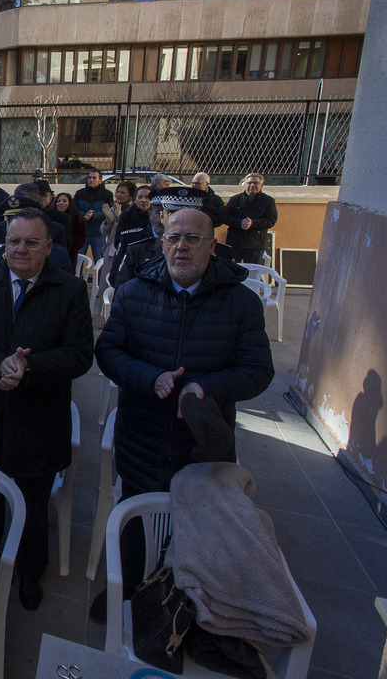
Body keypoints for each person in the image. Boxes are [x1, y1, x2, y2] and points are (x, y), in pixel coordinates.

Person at [93, 208, 274, 618]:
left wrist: (205, 387)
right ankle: (128, 592)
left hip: (202, 443)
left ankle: (183, 605)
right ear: (162, 243)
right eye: (174, 238)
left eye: (193, 239)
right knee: (137, 518)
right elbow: (108, 352)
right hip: (142, 434)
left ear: (213, 246)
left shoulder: (241, 303)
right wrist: (149, 377)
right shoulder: (133, 292)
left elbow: (258, 371)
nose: (182, 247)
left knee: (195, 529)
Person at [0, 208, 94, 611]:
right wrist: (0, 363)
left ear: (49, 248)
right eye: (14, 241)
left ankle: (30, 573)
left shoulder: (69, 290)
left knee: (33, 505)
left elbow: (79, 355)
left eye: (31, 242)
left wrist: (28, 367)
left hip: (39, 418)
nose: (21, 249)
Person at [221, 173, 278, 264]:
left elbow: (271, 220)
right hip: (235, 243)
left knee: (252, 273)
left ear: (261, 185)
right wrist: (240, 222)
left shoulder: (268, 201)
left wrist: (253, 223)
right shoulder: (235, 199)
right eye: (250, 183)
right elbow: (224, 216)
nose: (252, 185)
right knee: (232, 272)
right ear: (245, 184)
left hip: (255, 245)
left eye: (255, 183)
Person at [73, 169, 113, 267]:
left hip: (98, 234)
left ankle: (99, 282)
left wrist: (93, 216)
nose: (91, 180)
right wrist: (83, 215)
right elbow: (74, 210)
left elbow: (108, 213)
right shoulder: (79, 193)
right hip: (82, 233)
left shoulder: (107, 194)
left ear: (100, 180)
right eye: (90, 178)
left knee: (99, 261)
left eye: (94, 178)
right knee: (78, 260)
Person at [55, 192, 86, 266]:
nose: (61, 203)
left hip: (70, 255)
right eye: (58, 201)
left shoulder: (77, 219)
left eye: (64, 201)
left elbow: (80, 241)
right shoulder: (49, 217)